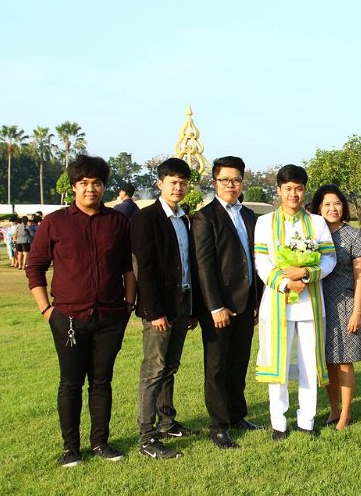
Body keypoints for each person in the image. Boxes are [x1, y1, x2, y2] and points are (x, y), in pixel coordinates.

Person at [26, 154, 136, 467]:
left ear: (104, 186)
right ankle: (70, 448)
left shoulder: (118, 222)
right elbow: (35, 267)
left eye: (97, 183)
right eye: (84, 183)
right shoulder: (55, 222)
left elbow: (128, 267)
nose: (91, 189)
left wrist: (128, 306)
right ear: (74, 186)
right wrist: (47, 310)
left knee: (102, 382)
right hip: (68, 318)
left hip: (110, 317)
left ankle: (100, 442)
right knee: (71, 383)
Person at [254, 165, 336, 441]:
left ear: (304, 191)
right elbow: (261, 260)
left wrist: (306, 273)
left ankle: (307, 421)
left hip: (310, 303)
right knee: (278, 364)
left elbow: (329, 258)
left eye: (299, 188)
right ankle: (278, 422)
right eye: (288, 188)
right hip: (277, 302)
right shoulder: (265, 222)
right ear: (278, 190)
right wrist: (285, 282)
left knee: (309, 363)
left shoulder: (317, 223)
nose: (293, 194)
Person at [132, 157, 205, 460]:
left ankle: (167, 422)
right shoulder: (146, 218)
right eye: (173, 182)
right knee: (154, 368)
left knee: (171, 366)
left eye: (183, 183)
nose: (178, 187)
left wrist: (192, 309)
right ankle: (146, 436)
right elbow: (144, 268)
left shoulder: (185, 218)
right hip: (159, 307)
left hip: (183, 301)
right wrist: (154, 312)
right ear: (160, 183)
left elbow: (189, 265)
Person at [192, 156, 264, 449]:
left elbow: (256, 258)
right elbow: (204, 267)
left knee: (238, 362)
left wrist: (257, 300)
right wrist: (215, 306)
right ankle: (219, 425)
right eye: (224, 180)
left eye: (236, 180)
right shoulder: (204, 217)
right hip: (220, 306)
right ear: (214, 182)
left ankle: (237, 415)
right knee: (217, 366)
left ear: (242, 182)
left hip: (247, 301)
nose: (231, 185)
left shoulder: (249, 215)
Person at [310, 185, 361, 431]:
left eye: (337, 203)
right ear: (318, 208)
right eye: (327, 204)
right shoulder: (313, 234)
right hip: (318, 304)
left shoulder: (352, 235)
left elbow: (360, 278)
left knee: (344, 362)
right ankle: (334, 408)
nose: (333, 208)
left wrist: (357, 311)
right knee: (326, 362)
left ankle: (346, 413)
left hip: (345, 305)